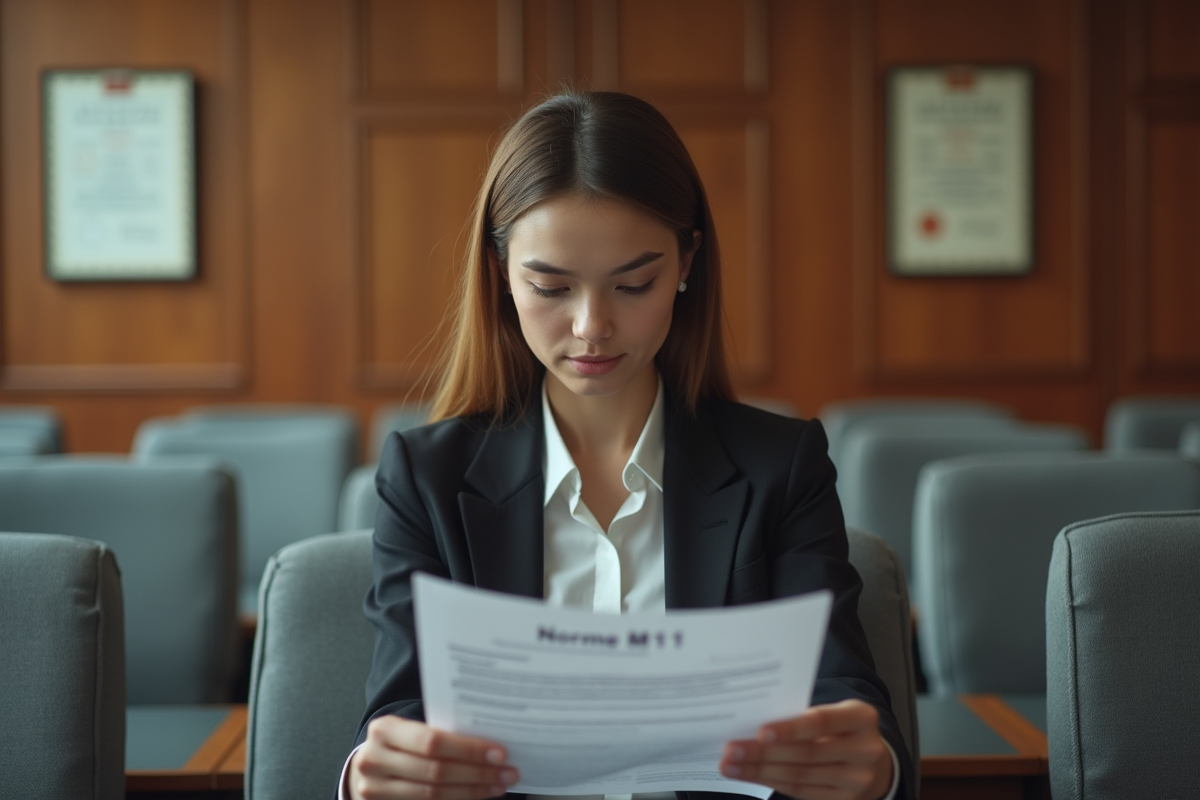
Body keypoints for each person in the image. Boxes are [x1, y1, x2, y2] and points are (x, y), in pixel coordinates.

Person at [343, 90, 913, 800]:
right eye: (550, 287)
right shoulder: (426, 478)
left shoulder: (781, 468)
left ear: (685, 264)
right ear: (499, 276)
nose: (591, 327)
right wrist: (370, 777)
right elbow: (398, 716)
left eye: (633, 284)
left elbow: (844, 696)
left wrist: (874, 768)